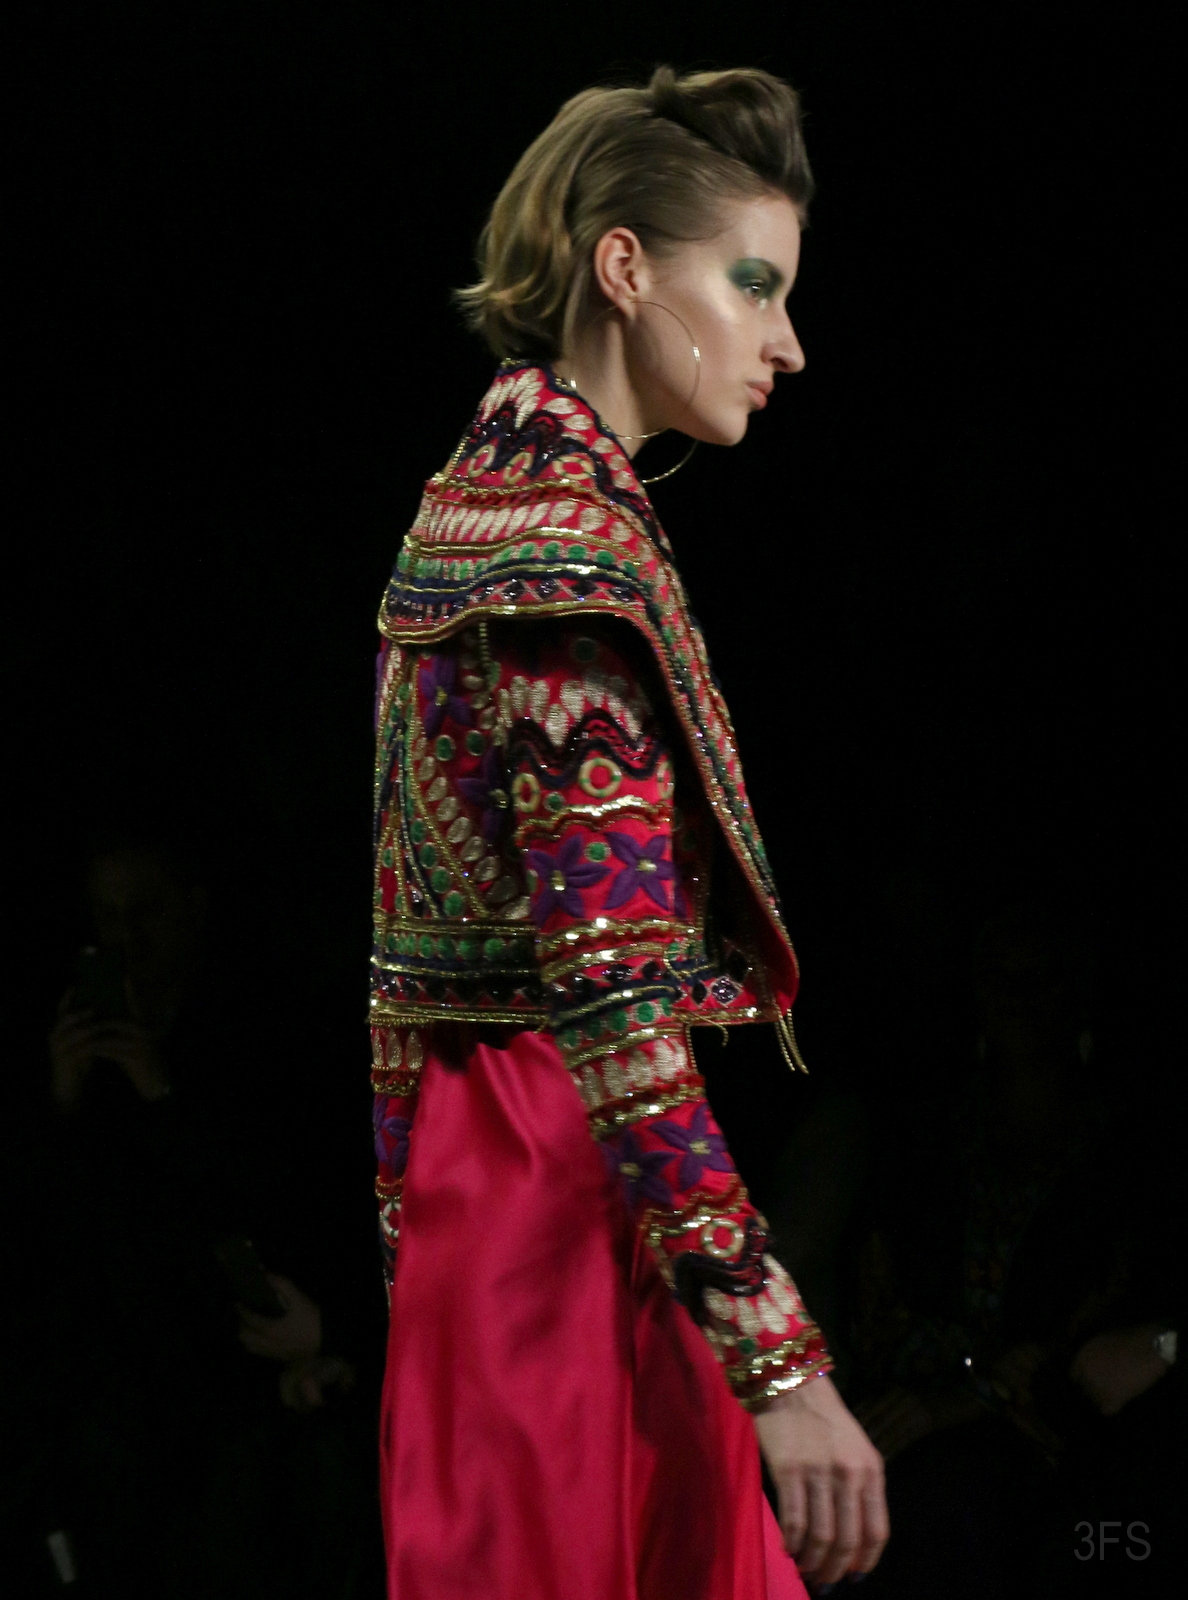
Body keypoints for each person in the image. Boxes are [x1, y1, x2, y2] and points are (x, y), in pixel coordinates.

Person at [370, 67, 888, 1599]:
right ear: (624, 267)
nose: (788, 342)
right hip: (562, 1222)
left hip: (498, 1207)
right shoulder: (566, 563)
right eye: (753, 285)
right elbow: (606, 993)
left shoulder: (476, 498)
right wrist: (784, 1363)